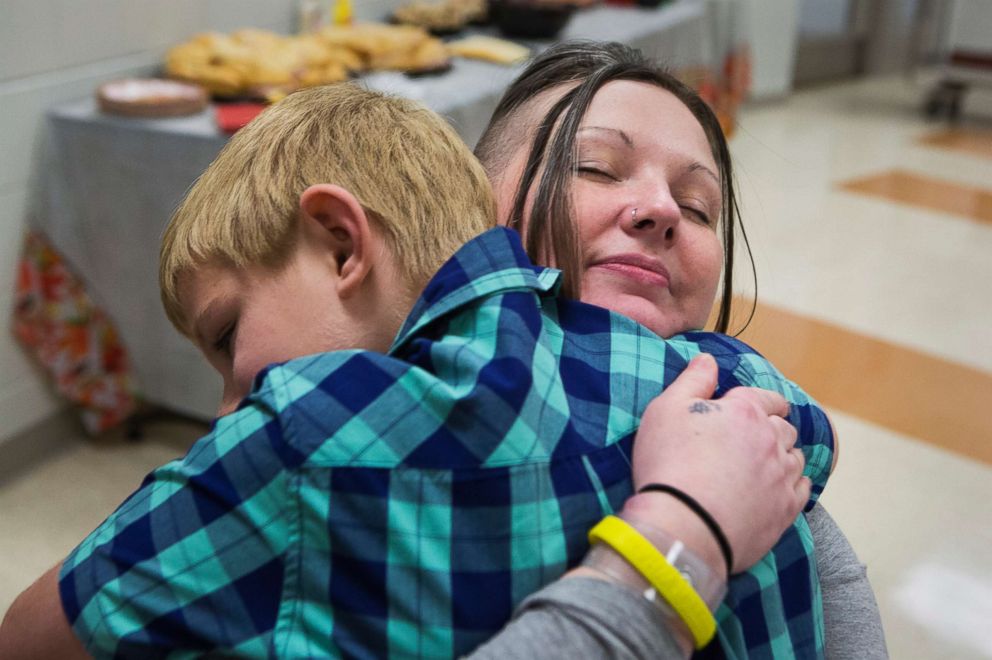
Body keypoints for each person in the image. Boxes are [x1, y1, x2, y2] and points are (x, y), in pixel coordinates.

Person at [0, 83, 829, 658]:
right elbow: (809, 439)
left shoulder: (299, 436)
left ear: (342, 241)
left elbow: (30, 637)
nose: (230, 404)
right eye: (596, 168)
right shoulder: (718, 395)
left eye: (226, 338)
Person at [474, 40, 885, 657]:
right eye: (595, 167)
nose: (664, 209)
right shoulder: (394, 398)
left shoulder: (744, 422)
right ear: (467, 201)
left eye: (698, 208)